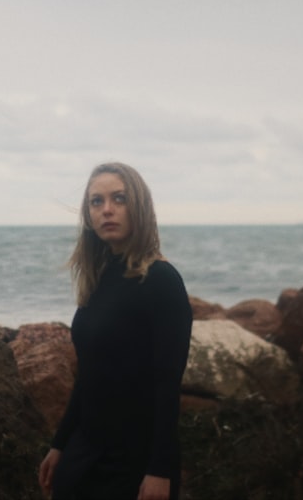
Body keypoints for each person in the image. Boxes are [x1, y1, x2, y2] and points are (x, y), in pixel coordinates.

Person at [38, 162, 193, 500]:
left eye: (118, 198)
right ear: (88, 215)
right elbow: (89, 374)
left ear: (138, 206)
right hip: (85, 452)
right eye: (96, 202)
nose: (107, 209)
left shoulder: (161, 281)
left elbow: (168, 385)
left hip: (134, 463)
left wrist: (160, 471)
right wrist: (60, 444)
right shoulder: (99, 278)